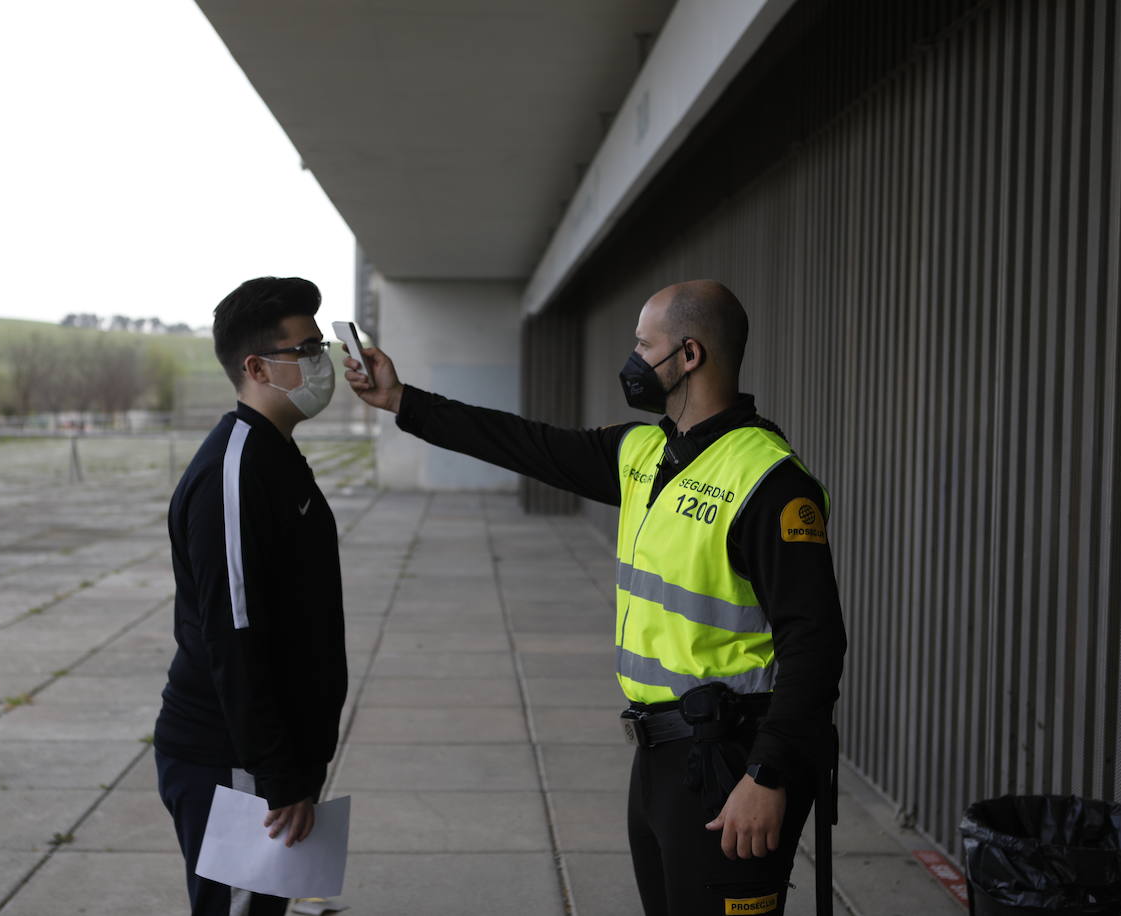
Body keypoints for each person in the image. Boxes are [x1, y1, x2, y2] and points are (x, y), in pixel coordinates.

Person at [343, 280, 845, 916]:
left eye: (644, 344)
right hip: (661, 754)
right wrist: (401, 400)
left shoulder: (768, 481)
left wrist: (767, 775)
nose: (632, 358)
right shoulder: (644, 450)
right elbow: (521, 441)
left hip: (733, 760)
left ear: (688, 355)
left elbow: (816, 643)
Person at [154, 277, 348, 916]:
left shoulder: (275, 454)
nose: (323, 363)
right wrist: (277, 776)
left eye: (321, 346)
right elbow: (234, 633)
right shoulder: (234, 470)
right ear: (257, 366)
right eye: (308, 350)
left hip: (268, 754)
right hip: (233, 759)